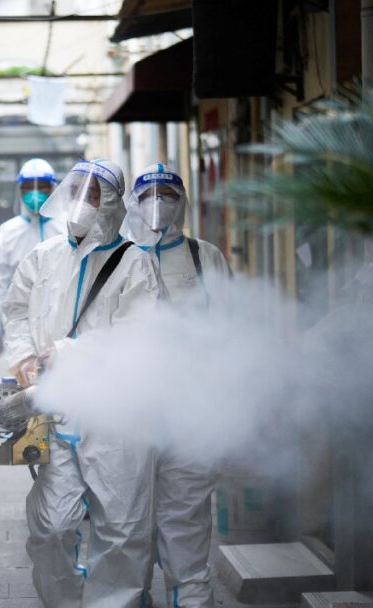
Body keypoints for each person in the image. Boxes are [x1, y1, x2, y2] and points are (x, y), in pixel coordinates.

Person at [2, 159, 160, 608]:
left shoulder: (134, 265)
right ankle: (63, 600)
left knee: (122, 527)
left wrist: (72, 353)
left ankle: (118, 602)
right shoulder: (43, 257)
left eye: (93, 195)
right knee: (51, 523)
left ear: (111, 204)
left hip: (117, 417)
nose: (81, 203)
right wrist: (21, 356)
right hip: (57, 410)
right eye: (75, 192)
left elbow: (139, 335)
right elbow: (15, 310)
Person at [122, 163, 231, 608]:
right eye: (148, 196)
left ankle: (190, 599)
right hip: (129, 415)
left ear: (182, 202)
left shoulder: (205, 258)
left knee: (185, 521)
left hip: (191, 415)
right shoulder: (118, 259)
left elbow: (228, 333)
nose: (158, 204)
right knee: (128, 522)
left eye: (168, 195)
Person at [0, 158, 64, 357]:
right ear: (18, 191)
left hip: (64, 326)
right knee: (23, 382)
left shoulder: (69, 228)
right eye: (27, 188)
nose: (35, 194)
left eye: (42, 187)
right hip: (21, 329)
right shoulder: (7, 233)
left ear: (54, 188)